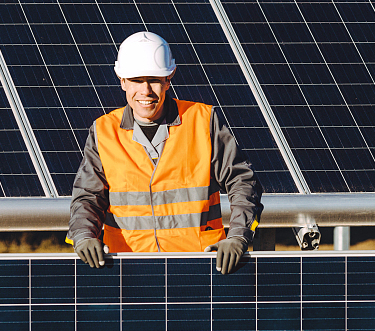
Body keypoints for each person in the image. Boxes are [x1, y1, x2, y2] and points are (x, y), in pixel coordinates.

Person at [68, 31, 263, 274]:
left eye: (155, 79)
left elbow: (243, 182)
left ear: (169, 78)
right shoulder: (103, 131)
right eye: (137, 80)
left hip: (200, 268)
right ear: (122, 81)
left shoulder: (203, 121)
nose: (146, 90)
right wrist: (83, 235)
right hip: (125, 271)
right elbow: (87, 197)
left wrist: (238, 237)